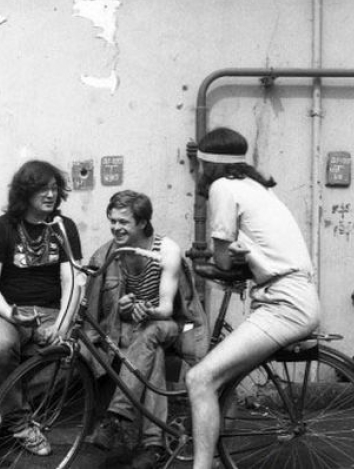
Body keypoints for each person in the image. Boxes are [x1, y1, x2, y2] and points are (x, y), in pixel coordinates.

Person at [186, 127, 321, 469]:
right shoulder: (256, 188)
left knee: (199, 379)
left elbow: (222, 261)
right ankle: (217, 457)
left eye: (199, 165)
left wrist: (221, 258)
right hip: (292, 294)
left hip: (284, 304)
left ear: (208, 165)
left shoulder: (221, 187)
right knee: (220, 378)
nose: (197, 172)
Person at [84, 190, 209, 469]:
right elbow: (106, 313)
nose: (116, 227)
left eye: (123, 222)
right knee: (153, 353)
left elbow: (166, 309)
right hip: (134, 332)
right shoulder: (108, 255)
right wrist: (125, 309)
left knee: (151, 332)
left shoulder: (166, 250)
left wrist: (145, 309)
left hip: (174, 325)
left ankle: (117, 415)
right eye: (112, 221)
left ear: (142, 222)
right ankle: (154, 446)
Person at [0, 160, 83, 456]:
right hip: (9, 311)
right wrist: (10, 314)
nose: (50, 194)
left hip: (51, 313)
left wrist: (62, 325)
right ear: (25, 191)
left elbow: (72, 280)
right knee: (1, 347)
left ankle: (4, 405)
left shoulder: (63, 227)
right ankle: (21, 424)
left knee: (75, 356)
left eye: (54, 188)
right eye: (42, 188)